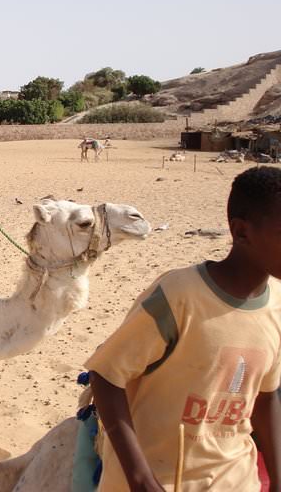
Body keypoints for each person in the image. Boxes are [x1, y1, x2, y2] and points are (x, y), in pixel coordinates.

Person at [86, 165, 281, 491]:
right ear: (241, 232)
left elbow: (266, 396)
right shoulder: (179, 296)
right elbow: (106, 377)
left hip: (235, 479)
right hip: (160, 479)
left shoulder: (276, 305)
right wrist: (140, 478)